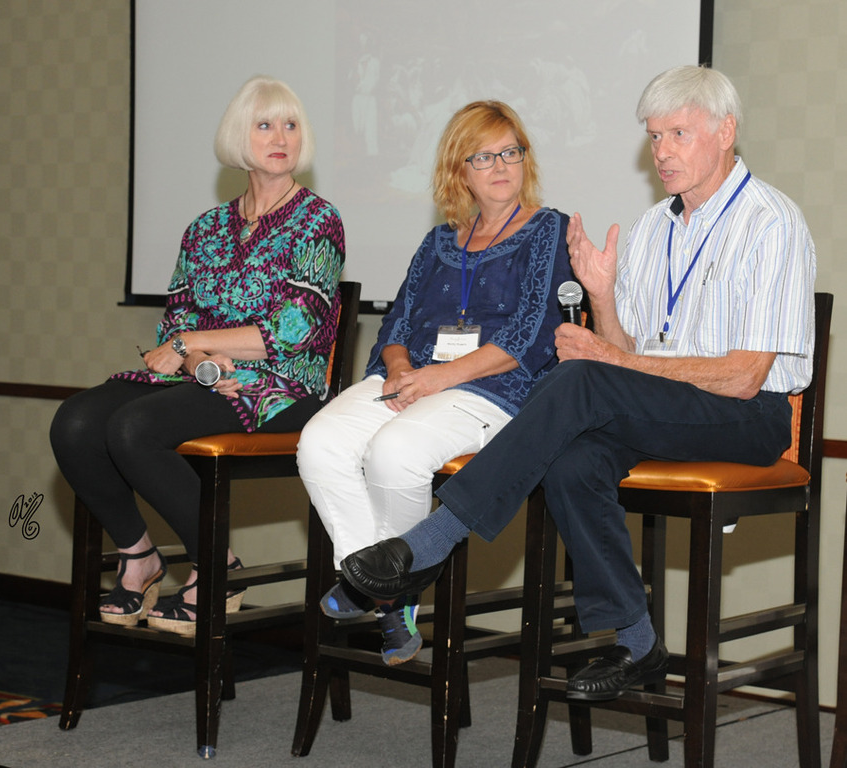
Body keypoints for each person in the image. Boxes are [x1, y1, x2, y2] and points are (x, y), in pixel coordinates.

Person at [337, 65, 816, 697]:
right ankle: (638, 643)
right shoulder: (651, 229)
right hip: (666, 406)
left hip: (749, 414)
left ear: (726, 131)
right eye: (653, 136)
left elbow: (743, 374)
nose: (662, 152)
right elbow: (624, 353)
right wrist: (604, 296)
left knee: (584, 379)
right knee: (571, 459)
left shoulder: (770, 222)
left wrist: (609, 359)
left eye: (678, 133)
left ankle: (427, 545)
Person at [50, 75, 345, 636]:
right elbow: (178, 318)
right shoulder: (205, 228)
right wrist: (196, 360)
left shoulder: (317, 220)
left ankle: (218, 568)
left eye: (290, 124)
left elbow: (297, 328)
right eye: (264, 124)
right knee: (76, 421)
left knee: (135, 428)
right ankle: (141, 556)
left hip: (284, 384)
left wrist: (194, 347)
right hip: (204, 378)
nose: (280, 136)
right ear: (239, 136)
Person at [296, 100, 573, 665]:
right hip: (415, 378)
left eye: (511, 152)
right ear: (458, 170)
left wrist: (437, 379)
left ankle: (394, 595)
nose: (501, 166)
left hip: (495, 391)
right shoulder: (438, 241)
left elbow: (529, 337)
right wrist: (401, 370)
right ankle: (376, 582)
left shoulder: (550, 230)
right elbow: (396, 324)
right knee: (319, 443)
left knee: (395, 452)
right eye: (483, 156)